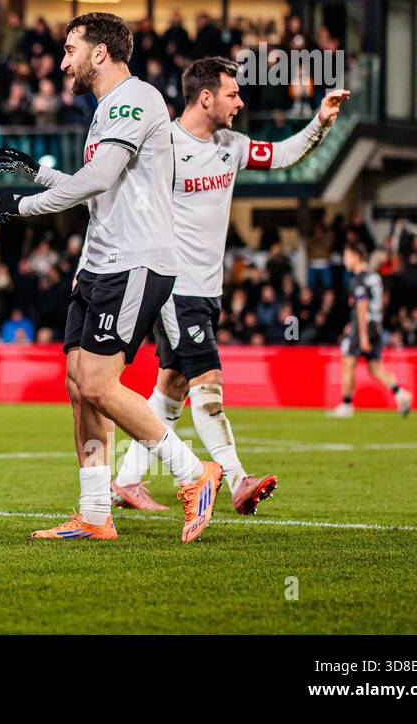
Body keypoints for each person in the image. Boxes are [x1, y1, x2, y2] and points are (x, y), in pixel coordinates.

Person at [56, 56, 345, 514]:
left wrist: (320, 123)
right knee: (207, 379)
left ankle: (127, 480)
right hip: (174, 286)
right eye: (232, 93)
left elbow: (285, 154)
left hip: (209, 290)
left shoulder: (231, 145)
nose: (240, 101)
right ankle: (234, 479)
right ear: (205, 96)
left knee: (172, 386)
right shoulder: (162, 142)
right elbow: (110, 200)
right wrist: (90, 259)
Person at [0, 12, 222, 543]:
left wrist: (25, 206)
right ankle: (95, 513)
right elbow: (95, 185)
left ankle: (195, 476)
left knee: (99, 383)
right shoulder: (106, 111)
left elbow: (95, 179)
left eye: (71, 48)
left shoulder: (134, 100)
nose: (63, 59)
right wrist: (34, 172)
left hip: (135, 263)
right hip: (100, 265)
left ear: (100, 53)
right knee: (79, 387)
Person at [330, 243, 413, 418]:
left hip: (365, 325)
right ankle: (400, 393)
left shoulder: (358, 279)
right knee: (375, 367)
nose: (345, 261)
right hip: (375, 324)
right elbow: (382, 301)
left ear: (355, 256)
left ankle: (346, 405)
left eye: (346, 256)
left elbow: (362, 305)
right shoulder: (375, 277)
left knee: (348, 362)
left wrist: (362, 334)